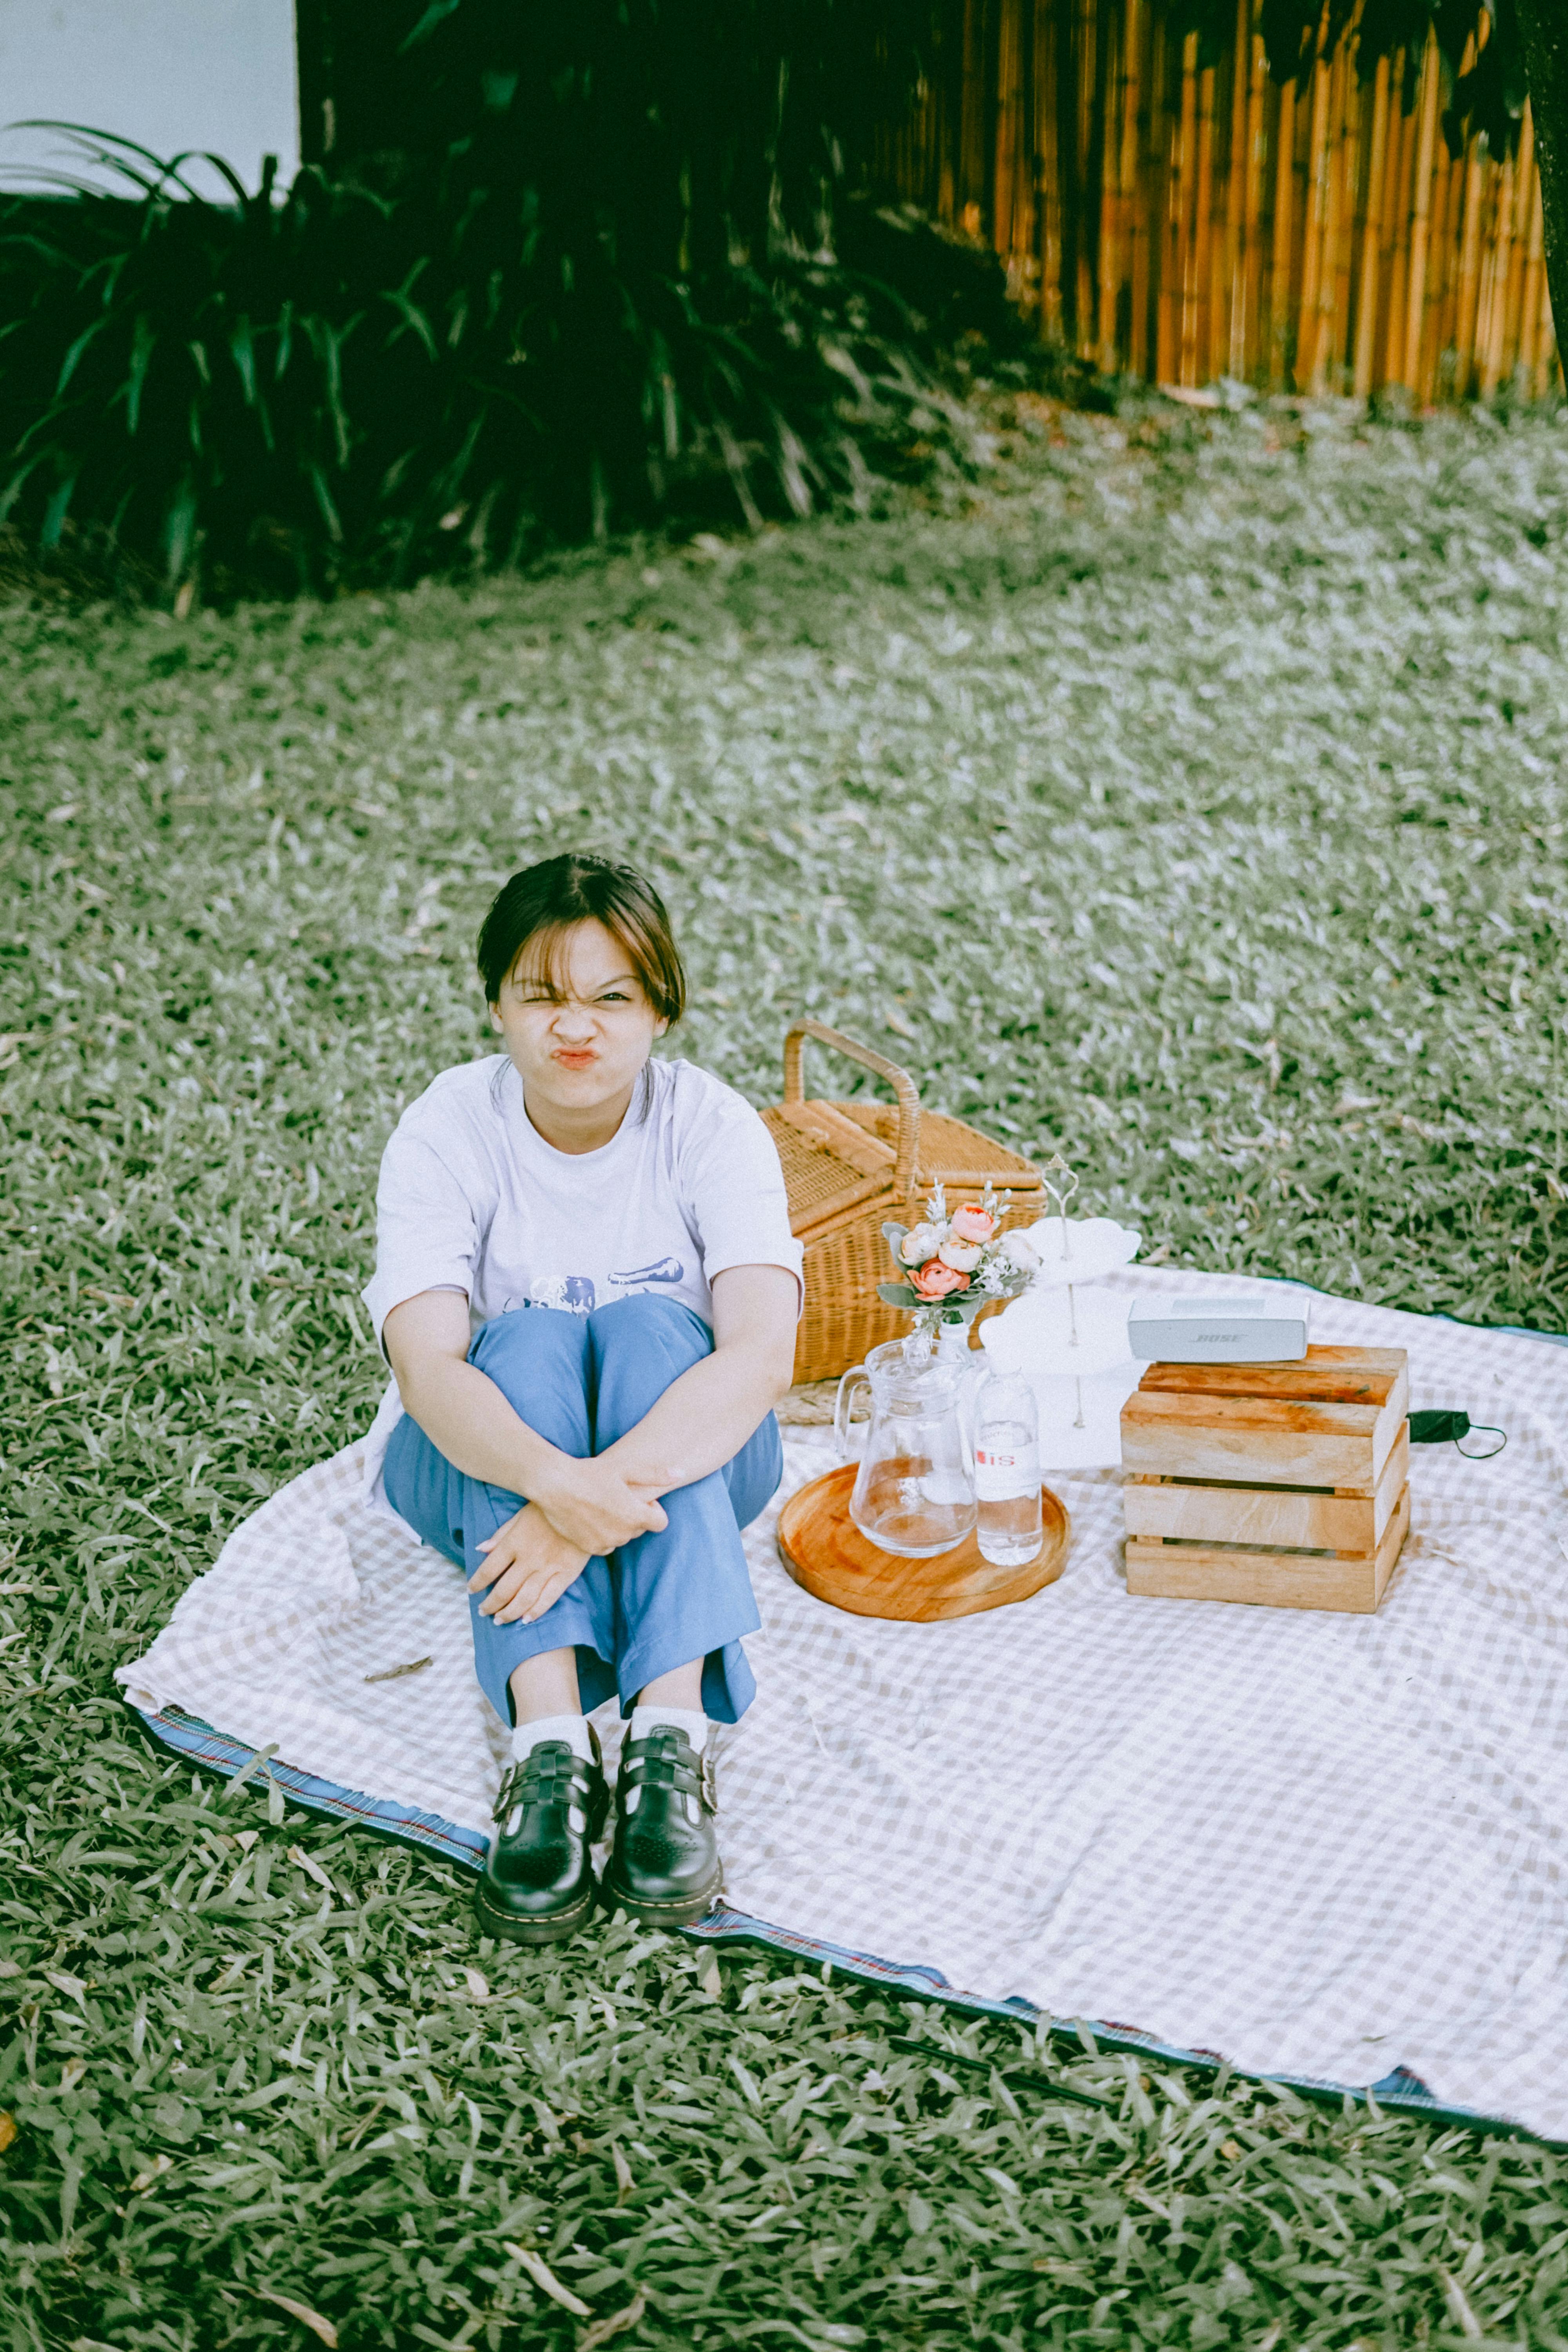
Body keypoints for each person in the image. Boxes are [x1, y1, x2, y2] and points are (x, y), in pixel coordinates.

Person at [361, 853, 802, 1945]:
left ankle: (669, 1736)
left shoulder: (711, 1126)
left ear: (660, 1010)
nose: (577, 1029)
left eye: (612, 998)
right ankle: (548, 1748)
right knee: (521, 1339)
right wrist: (560, 1490)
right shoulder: (446, 1128)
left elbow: (758, 1355)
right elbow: (428, 1371)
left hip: (695, 1453)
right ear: (496, 1006)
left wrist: (586, 1505)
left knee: (662, 1332)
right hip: (469, 1458)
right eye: (542, 995)